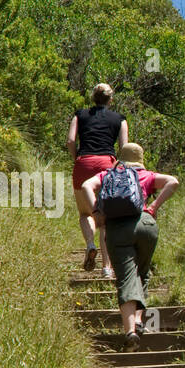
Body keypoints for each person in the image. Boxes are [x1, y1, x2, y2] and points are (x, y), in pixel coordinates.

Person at [80, 143, 179, 349]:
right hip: (146, 224)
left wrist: (97, 211)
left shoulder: (108, 174)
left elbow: (86, 186)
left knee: (126, 277)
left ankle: (130, 331)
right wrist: (153, 206)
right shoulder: (148, 175)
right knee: (142, 273)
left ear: (119, 159)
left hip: (118, 229)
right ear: (140, 160)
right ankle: (139, 320)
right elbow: (173, 182)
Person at [68, 83, 128, 274]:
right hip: (107, 165)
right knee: (105, 219)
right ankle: (107, 268)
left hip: (83, 163)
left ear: (93, 98)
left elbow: (70, 140)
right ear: (111, 99)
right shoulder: (119, 119)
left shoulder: (80, 115)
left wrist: (76, 158)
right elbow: (124, 148)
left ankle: (90, 244)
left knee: (86, 213)